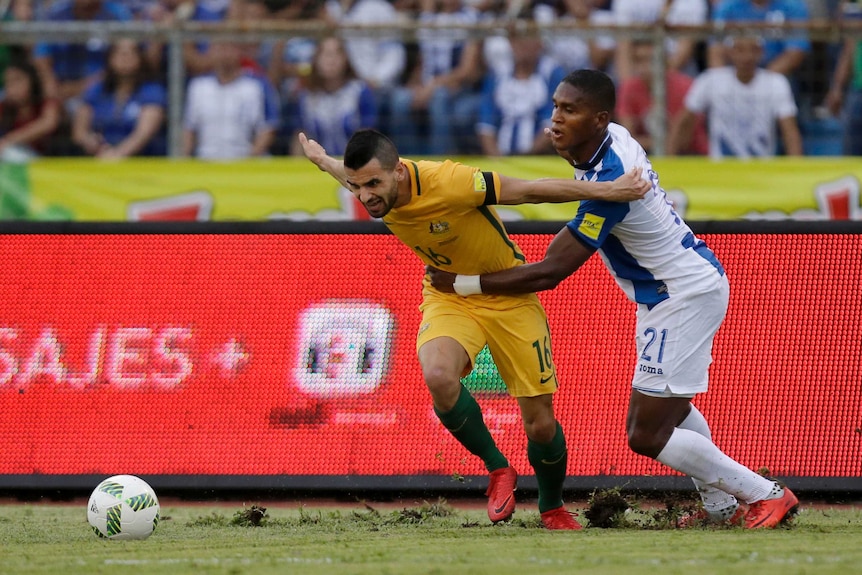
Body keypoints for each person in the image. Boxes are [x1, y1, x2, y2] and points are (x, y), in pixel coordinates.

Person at [426, 69, 799, 529]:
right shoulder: (609, 144)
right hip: (672, 292)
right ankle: (722, 507)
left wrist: (463, 284)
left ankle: (766, 494)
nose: (556, 119)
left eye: (570, 110)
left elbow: (550, 273)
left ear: (600, 118)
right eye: (556, 107)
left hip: (682, 295)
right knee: (674, 409)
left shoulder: (612, 179)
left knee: (645, 434)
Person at [298, 127, 650, 529]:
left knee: (540, 422)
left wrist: (612, 190)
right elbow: (343, 171)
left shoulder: (452, 182)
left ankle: (551, 507)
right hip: (448, 293)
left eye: (373, 184)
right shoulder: (370, 184)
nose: (365, 197)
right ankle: (499, 469)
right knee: (438, 375)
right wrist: (320, 159)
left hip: (507, 293)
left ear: (398, 172)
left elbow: (529, 190)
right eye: (358, 187)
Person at [668, 35, 803, 159]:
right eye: (740, 50)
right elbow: (684, 122)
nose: (747, 57)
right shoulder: (710, 80)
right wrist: (669, 160)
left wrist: (796, 168)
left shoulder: (776, 83)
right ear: (730, 53)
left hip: (762, 167)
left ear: (761, 53)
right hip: (721, 168)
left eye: (753, 50)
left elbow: (789, 131)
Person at [182, 41, 280, 159]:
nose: (224, 55)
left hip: (246, 161)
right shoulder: (198, 87)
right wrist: (184, 159)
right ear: (211, 52)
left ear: (239, 52)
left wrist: (251, 158)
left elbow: (268, 126)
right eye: (219, 49)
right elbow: (189, 128)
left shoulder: (256, 85)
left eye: (229, 49)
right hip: (206, 161)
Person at [71, 39, 166, 158]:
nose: (125, 57)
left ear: (141, 58)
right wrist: (89, 140)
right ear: (110, 58)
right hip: (99, 158)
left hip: (142, 161)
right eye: (119, 53)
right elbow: (79, 132)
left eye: (132, 52)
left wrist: (117, 154)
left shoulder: (152, 91)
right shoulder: (96, 90)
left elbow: (143, 133)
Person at [288, 36, 378, 156]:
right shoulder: (306, 96)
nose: (331, 60)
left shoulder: (359, 91)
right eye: (326, 54)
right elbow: (300, 136)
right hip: (314, 167)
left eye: (336, 54)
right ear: (316, 60)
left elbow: (367, 138)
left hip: (351, 166)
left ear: (345, 59)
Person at [616, 39, 707, 155]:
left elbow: (685, 139)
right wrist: (658, 143)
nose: (644, 66)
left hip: (691, 156)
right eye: (638, 60)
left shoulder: (686, 87)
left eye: (650, 60)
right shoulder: (628, 88)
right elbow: (626, 139)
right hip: (645, 157)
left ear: (664, 61)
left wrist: (649, 143)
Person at [0, 56, 61, 159]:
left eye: (17, 80)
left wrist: (9, 140)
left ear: (32, 80)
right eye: (8, 82)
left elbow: (49, 123)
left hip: (49, 162)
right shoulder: (4, 107)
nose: (12, 87)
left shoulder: (47, 102)